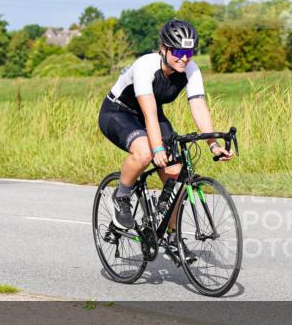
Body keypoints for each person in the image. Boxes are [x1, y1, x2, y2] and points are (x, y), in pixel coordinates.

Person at [98, 19, 232, 230]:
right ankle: (121, 196)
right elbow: (149, 113)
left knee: (177, 177)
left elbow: (198, 107)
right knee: (145, 153)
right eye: (178, 52)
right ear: (164, 49)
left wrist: (213, 145)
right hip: (118, 112)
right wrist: (158, 148)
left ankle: (171, 237)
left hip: (151, 113)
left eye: (189, 52)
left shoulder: (191, 69)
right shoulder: (145, 66)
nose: (184, 58)